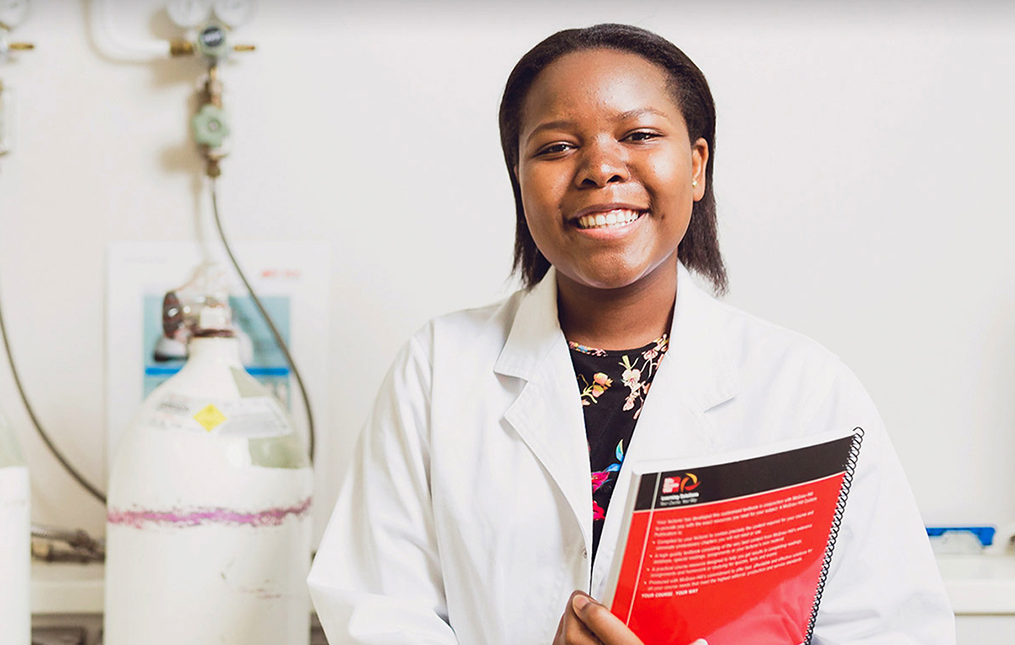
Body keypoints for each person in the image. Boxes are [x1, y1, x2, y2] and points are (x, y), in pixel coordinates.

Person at [308, 23, 955, 644]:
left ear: (697, 166)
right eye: (558, 146)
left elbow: (893, 629)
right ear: (518, 178)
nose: (600, 166)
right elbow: (378, 612)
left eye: (640, 133)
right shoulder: (437, 369)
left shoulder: (806, 389)